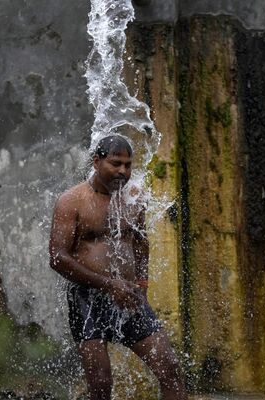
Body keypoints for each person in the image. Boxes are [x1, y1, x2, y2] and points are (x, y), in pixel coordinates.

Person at [49, 135, 187, 400]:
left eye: (127, 165)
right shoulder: (72, 201)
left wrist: (142, 284)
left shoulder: (134, 197)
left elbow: (140, 241)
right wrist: (110, 285)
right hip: (86, 299)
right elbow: (57, 258)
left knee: (169, 368)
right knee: (101, 384)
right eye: (115, 164)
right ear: (96, 161)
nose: (123, 171)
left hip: (128, 296)